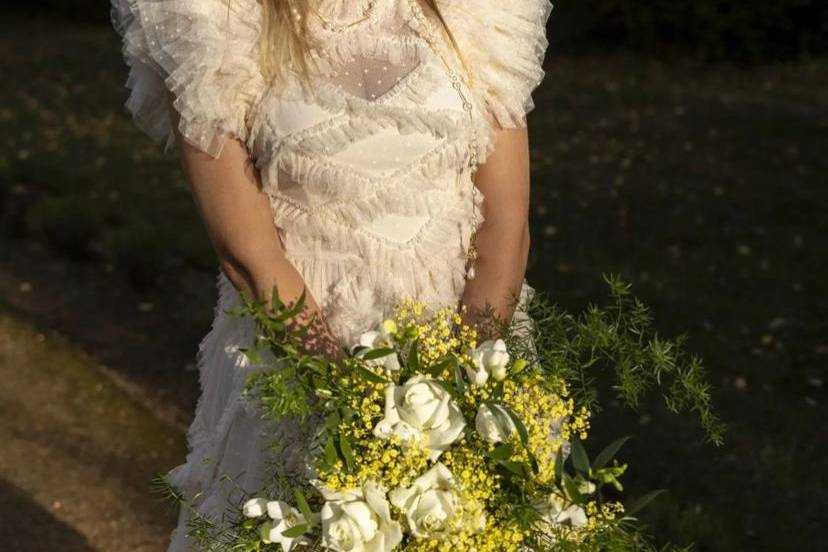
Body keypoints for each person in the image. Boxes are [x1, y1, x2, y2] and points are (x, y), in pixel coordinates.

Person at [110, 0, 553, 549]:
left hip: (464, 349)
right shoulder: (210, 18)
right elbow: (248, 253)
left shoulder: (475, 12)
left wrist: (453, 397)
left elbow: (506, 226)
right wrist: (352, 411)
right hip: (300, 363)